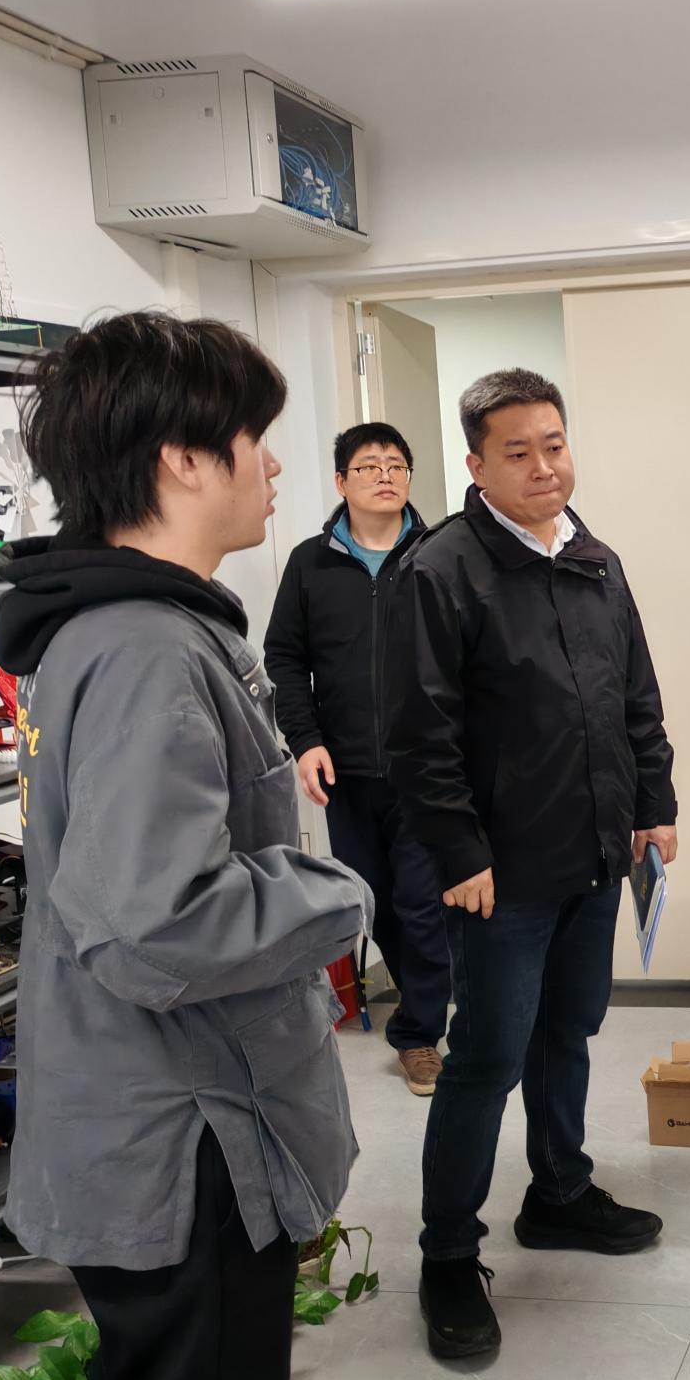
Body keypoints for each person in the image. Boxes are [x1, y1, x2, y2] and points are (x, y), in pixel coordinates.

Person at [0, 311, 372, 1380]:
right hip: (181, 1134)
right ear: (184, 459)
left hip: (158, 1112)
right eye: (256, 438)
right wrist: (338, 893)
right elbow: (158, 923)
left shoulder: (131, 630)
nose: (274, 465)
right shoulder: (145, 650)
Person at [381, 367, 678, 1360]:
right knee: (486, 1058)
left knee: (569, 1030)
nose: (544, 466)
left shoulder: (594, 558)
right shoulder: (441, 571)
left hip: (593, 851)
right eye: (519, 452)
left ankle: (558, 1192)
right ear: (477, 464)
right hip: (498, 876)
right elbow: (418, 733)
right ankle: (447, 1257)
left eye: (555, 445)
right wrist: (459, 851)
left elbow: (635, 695)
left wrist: (654, 806)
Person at [265, 421, 451, 1096]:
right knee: (376, 902)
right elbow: (285, 658)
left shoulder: (440, 554)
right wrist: (306, 740)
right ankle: (425, 1004)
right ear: (342, 481)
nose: (385, 476)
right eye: (369, 466)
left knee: (424, 901)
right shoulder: (310, 563)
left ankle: (420, 1033)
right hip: (345, 769)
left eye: (396, 464)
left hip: (428, 768)